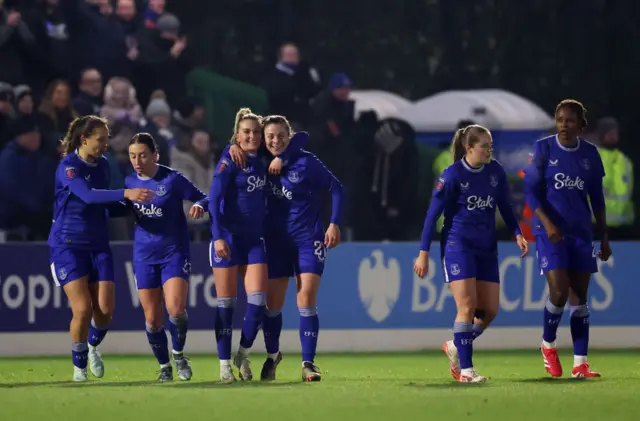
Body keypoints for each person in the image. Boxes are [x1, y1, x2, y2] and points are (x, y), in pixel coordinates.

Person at [231, 115, 343, 382]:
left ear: (288, 137)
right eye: (270, 136)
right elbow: (240, 143)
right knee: (272, 305)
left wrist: (334, 224)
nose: (275, 140)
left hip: (308, 239)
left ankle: (308, 364)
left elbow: (336, 188)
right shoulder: (258, 159)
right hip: (275, 241)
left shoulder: (306, 161)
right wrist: (231, 148)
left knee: (305, 298)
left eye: (281, 135)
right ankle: (272, 357)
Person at [413, 124, 528, 383]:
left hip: (486, 248)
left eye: (491, 146)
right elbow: (432, 215)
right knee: (466, 306)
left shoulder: (495, 172)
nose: (489, 150)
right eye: (484, 146)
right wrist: (423, 252)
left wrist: (518, 232)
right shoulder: (451, 176)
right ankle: (466, 370)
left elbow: (505, 206)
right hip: (458, 246)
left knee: (488, 311)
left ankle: (455, 345)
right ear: (469, 148)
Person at [48, 115, 153, 382]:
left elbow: (103, 202)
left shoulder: (103, 165)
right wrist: (125, 194)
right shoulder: (68, 167)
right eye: (101, 139)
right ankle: (79, 367)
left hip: (98, 244)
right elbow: (88, 195)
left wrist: (135, 205)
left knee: (104, 312)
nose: (106, 144)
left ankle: (92, 347)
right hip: (67, 246)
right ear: (84, 140)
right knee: (82, 309)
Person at [523, 99, 611, 378]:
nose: (563, 125)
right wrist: (547, 224)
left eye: (569, 120)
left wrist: (604, 236)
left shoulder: (590, 155)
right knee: (559, 292)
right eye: (560, 119)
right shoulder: (543, 149)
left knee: (580, 298)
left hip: (581, 233)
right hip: (550, 233)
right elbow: (531, 193)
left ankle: (580, 363)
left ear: (581, 126)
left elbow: (597, 199)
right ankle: (548, 345)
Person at [125, 133, 209, 381]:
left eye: (142, 155)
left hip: (174, 251)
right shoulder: (130, 181)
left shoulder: (172, 179)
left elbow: (204, 196)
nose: (137, 161)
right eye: (132, 156)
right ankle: (164, 367)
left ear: (155, 155)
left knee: (176, 308)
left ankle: (179, 353)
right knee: (152, 318)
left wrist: (200, 205)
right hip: (144, 254)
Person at [209, 108, 269, 383]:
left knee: (258, 302)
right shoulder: (229, 161)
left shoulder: (267, 158)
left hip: (254, 240)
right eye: (246, 132)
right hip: (229, 239)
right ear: (237, 134)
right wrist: (218, 236)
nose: (252, 136)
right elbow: (214, 199)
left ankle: (242, 353)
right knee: (227, 304)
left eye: (256, 132)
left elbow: (300, 139)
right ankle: (224, 365)